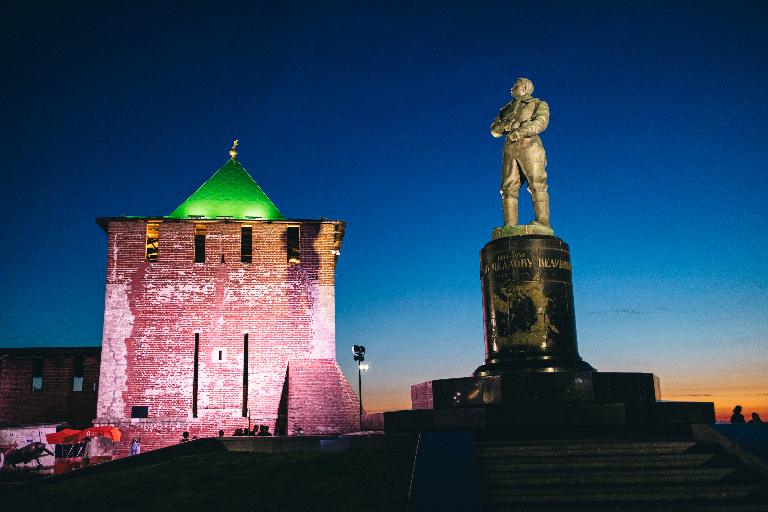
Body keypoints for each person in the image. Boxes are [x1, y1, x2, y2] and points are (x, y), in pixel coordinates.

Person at [491, 78, 551, 228]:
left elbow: (541, 122)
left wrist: (521, 131)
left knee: (537, 184)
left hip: (530, 147)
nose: (512, 88)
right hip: (510, 150)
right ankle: (509, 226)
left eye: (515, 85)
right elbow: (494, 130)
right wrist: (507, 125)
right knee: (508, 189)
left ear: (525, 88)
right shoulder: (506, 109)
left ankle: (542, 222)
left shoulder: (538, 104)